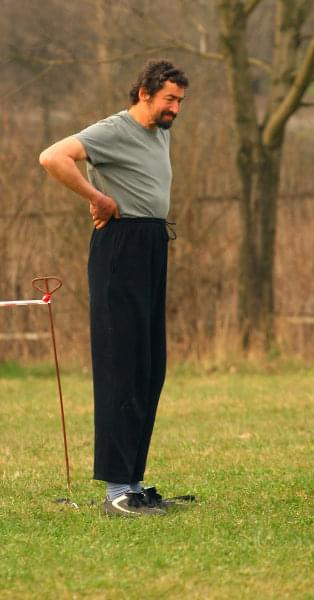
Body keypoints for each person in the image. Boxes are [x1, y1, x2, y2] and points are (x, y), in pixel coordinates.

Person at [39, 59, 189, 517]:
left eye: (180, 101)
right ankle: (115, 491)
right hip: (119, 247)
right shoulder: (114, 129)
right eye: (169, 99)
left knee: (149, 366)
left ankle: (135, 482)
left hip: (151, 243)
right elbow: (52, 157)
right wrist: (97, 197)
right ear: (144, 92)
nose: (176, 109)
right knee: (121, 364)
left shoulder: (160, 131)